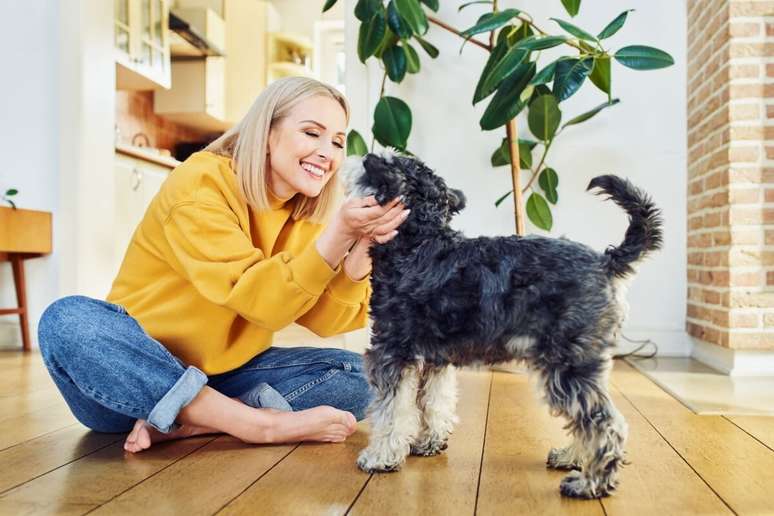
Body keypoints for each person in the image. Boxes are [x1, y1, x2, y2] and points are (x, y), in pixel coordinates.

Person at [37, 76, 410, 453]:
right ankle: (255, 423)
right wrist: (337, 236)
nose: (327, 153)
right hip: (134, 379)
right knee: (67, 321)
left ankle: (193, 422)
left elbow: (325, 321)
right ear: (267, 133)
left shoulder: (302, 212)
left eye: (337, 142)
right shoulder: (200, 185)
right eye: (312, 133)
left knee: (363, 376)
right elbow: (259, 299)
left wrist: (361, 250)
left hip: (228, 375)